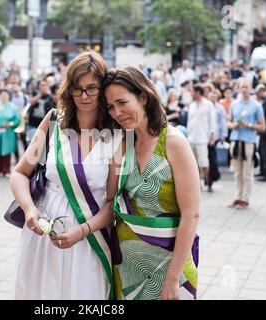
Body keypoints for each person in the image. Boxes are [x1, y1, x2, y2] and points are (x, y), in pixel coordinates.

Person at [10, 51, 119, 299]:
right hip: (43, 232)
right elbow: (20, 173)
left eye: (91, 88)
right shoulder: (53, 122)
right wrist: (29, 209)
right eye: (77, 88)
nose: (84, 96)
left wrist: (82, 231)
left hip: (89, 235)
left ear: (103, 88)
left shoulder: (117, 134)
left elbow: (113, 203)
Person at [104, 66, 200, 300]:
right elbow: (111, 196)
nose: (117, 112)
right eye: (111, 107)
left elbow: (192, 215)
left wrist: (172, 277)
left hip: (168, 265)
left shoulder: (174, 141)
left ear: (144, 98)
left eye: (122, 103)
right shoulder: (124, 143)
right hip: (126, 264)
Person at [227, 78, 266, 210]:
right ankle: (237, 196)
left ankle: (245, 198)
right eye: (241, 87)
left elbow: (263, 127)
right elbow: (229, 122)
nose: (244, 89)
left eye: (246, 87)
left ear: (250, 88)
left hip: (248, 141)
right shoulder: (234, 104)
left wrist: (248, 125)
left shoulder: (256, 106)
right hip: (235, 140)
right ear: (238, 88)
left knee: (247, 172)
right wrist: (234, 125)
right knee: (237, 172)